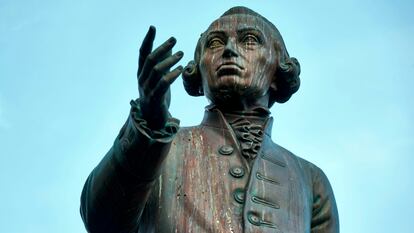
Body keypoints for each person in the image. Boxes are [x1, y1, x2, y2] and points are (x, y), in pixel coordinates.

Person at [80, 6, 339, 233]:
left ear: (278, 69)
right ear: (198, 72)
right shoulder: (160, 150)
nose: (228, 50)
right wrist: (148, 124)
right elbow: (103, 223)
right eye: (215, 42)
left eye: (249, 39)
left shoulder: (310, 180)